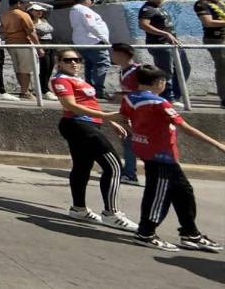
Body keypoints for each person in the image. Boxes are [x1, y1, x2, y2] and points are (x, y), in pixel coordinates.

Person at [120, 65, 224, 251]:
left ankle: (190, 233)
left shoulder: (129, 98)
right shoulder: (159, 103)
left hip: (150, 151)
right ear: (158, 83)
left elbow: (124, 118)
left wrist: (136, 133)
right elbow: (186, 128)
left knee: (184, 191)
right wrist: (217, 145)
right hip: (161, 155)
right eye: (163, 82)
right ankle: (146, 233)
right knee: (158, 195)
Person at [49, 49, 138, 230]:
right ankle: (111, 213)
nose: (74, 63)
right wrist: (108, 117)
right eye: (68, 60)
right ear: (59, 63)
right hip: (78, 125)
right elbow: (70, 105)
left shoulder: (78, 80)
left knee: (82, 166)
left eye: (77, 59)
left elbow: (90, 103)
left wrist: (108, 121)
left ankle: (78, 209)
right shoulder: (61, 80)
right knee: (113, 166)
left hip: (87, 124)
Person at [138, 0, 191, 105]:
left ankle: (176, 95)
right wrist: (165, 33)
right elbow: (143, 25)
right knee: (166, 72)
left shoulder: (158, 8)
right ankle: (168, 97)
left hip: (172, 44)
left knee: (184, 68)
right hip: (160, 44)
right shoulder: (148, 9)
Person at [110, 43, 142, 185]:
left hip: (137, 113)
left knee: (132, 142)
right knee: (127, 142)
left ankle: (130, 174)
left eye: (113, 53)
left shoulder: (138, 71)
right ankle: (129, 171)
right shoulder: (123, 71)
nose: (111, 56)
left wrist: (123, 95)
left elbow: (142, 91)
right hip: (128, 111)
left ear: (122, 54)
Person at [192, 0, 225, 107]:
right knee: (223, 68)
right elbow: (208, 22)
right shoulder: (201, 4)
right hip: (216, 40)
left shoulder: (219, 3)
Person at [0, 0, 38, 101]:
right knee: (25, 69)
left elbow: (2, 31)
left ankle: (24, 90)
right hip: (23, 44)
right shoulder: (23, 15)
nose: (26, 6)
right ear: (18, 4)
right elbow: (31, 32)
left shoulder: (4, 15)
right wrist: (39, 47)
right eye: (24, 4)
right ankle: (25, 92)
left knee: (18, 68)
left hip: (10, 44)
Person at [29, 3, 56, 100]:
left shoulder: (43, 19)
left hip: (50, 43)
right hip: (41, 44)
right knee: (44, 67)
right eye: (36, 10)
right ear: (31, 11)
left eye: (40, 10)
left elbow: (51, 7)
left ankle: (45, 88)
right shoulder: (30, 21)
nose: (39, 12)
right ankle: (43, 90)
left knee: (50, 66)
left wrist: (37, 3)